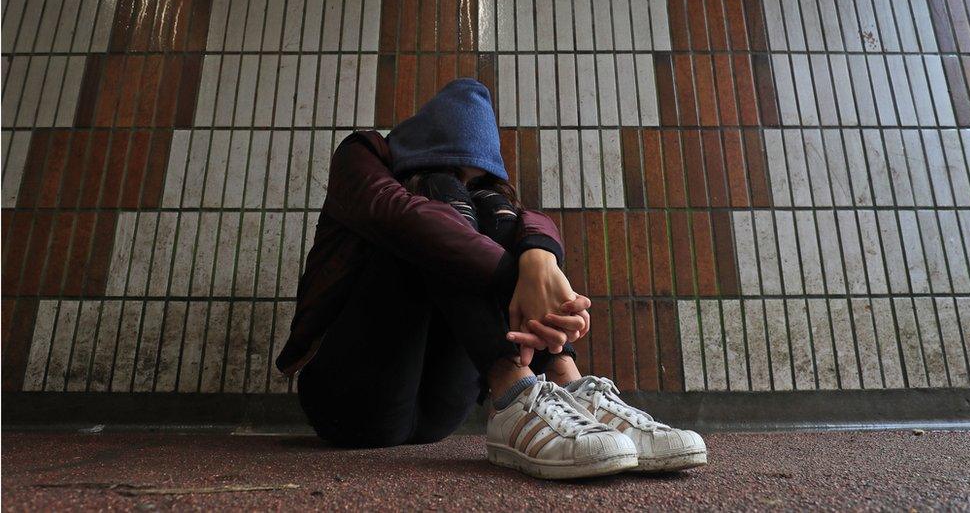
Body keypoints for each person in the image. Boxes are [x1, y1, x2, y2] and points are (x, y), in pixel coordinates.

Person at [276, 78, 707, 479]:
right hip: (349, 402)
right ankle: (515, 388)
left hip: (438, 412)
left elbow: (527, 220)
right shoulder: (364, 154)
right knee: (438, 207)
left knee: (494, 209)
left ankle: (566, 384)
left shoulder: (488, 197)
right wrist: (515, 280)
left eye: (476, 173)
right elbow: (400, 216)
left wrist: (540, 259)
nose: (467, 184)